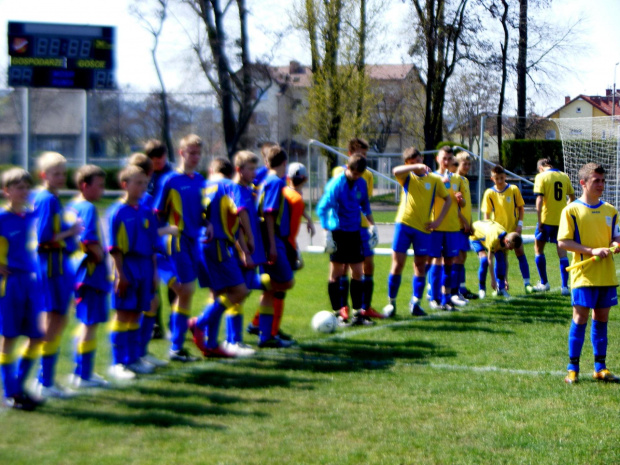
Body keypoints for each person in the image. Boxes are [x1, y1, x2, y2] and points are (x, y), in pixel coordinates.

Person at [558, 162, 620, 384]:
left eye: (603, 181)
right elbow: (563, 241)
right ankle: (572, 368)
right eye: (597, 181)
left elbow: (617, 237)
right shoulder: (571, 210)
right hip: (584, 275)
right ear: (583, 183)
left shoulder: (611, 211)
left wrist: (615, 244)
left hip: (606, 275)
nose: (601, 185)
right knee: (580, 317)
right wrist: (591, 250)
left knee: (601, 319)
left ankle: (600, 368)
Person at [189, 158, 252, 357]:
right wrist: (250, 239)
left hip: (199, 244)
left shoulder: (202, 186)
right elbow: (240, 211)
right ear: (231, 170)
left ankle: (211, 344)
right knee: (240, 291)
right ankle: (199, 323)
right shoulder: (229, 186)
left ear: (210, 170)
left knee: (217, 294)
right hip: (218, 244)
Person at [31, 151, 81, 399]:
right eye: (56, 173)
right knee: (53, 322)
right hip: (50, 268)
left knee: (57, 320)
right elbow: (43, 240)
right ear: (44, 175)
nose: (61, 177)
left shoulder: (51, 197)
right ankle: (44, 380)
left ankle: (44, 379)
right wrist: (71, 231)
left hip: (57, 266)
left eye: (63, 172)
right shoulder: (46, 199)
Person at [154, 134, 207, 362]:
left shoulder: (200, 180)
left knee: (185, 293)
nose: (195, 157)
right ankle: (176, 347)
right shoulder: (169, 180)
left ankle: (177, 345)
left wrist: (210, 223)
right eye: (191, 153)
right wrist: (163, 234)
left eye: (198, 153)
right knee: (186, 292)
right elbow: (156, 217)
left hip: (194, 242)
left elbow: (204, 212)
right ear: (181, 153)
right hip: (176, 243)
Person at [382, 147, 451, 317]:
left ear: (422, 158)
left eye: (418, 161)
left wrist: (438, 220)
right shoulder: (407, 176)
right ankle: (391, 303)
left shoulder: (435, 180)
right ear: (408, 164)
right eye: (412, 163)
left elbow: (448, 199)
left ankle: (416, 303)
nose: (417, 165)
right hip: (404, 225)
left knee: (420, 266)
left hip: (423, 229)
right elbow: (395, 170)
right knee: (397, 264)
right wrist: (414, 168)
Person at [107, 166, 159, 380]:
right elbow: (114, 248)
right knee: (123, 313)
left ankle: (133, 358)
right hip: (126, 265)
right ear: (125, 185)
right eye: (138, 183)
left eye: (145, 184)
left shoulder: (146, 210)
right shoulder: (117, 211)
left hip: (145, 266)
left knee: (137, 312)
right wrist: (120, 274)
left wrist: (154, 273)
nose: (142, 188)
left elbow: (153, 243)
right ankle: (118, 362)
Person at [0, 168, 46, 410]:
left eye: (27, 187)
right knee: (8, 338)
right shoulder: (1, 218)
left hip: (32, 283)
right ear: (6, 191)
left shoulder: (32, 216)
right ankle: (11, 390)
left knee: (37, 336)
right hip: (10, 286)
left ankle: (18, 385)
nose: (25, 191)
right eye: (19, 187)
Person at [127, 153, 175, 368]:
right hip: (138, 261)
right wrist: (169, 230)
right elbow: (149, 231)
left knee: (150, 304)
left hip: (145, 259)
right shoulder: (140, 200)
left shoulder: (142, 199)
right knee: (138, 308)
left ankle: (140, 352)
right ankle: (132, 356)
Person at [317, 153, 376, 326]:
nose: (357, 177)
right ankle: (338, 314)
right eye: (354, 173)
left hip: (354, 231)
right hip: (338, 232)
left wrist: (372, 225)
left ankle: (358, 314)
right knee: (336, 273)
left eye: (360, 174)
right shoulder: (336, 184)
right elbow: (322, 208)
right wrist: (326, 231)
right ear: (348, 168)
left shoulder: (361, 183)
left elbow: (364, 205)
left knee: (358, 271)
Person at [66, 165, 111, 388]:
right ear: (85, 186)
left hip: (76, 273)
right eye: (99, 186)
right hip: (90, 275)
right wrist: (100, 257)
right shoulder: (88, 208)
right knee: (89, 325)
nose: (102, 190)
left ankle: (80, 371)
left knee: (84, 323)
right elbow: (89, 241)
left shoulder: (71, 206)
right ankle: (84, 374)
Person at [331, 138, 382, 320]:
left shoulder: (366, 175)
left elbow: (364, 202)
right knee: (343, 267)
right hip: (345, 228)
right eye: (361, 154)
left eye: (366, 155)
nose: (364, 158)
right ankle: (343, 307)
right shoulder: (339, 173)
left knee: (367, 266)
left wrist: (372, 225)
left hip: (361, 227)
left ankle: (364, 307)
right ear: (350, 153)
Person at [255, 145, 296, 347]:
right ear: (284, 163)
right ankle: (250, 283)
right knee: (287, 282)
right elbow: (269, 214)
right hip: (273, 240)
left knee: (269, 292)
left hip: (271, 239)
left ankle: (265, 336)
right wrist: (272, 244)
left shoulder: (266, 180)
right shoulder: (275, 182)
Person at [481, 165, 533, 295]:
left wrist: (519, 224)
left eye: (502, 178)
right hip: (499, 233)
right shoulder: (489, 193)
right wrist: (488, 229)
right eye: (497, 178)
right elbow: (486, 214)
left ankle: (527, 283)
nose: (500, 181)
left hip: (513, 229)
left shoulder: (513, 189)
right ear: (492, 179)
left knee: (520, 252)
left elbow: (521, 208)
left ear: (505, 177)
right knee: (501, 258)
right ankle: (502, 284)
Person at [427, 146, 467, 311]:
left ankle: (447, 298)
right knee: (435, 260)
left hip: (452, 226)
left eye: (449, 159)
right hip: (435, 227)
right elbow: (425, 198)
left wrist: (460, 200)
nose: (446, 161)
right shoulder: (430, 177)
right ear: (437, 159)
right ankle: (434, 297)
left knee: (450, 262)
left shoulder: (457, 179)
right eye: (443, 158)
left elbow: (462, 205)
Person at [532, 158, 575, 295]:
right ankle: (565, 287)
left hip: (546, 220)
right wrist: (564, 210)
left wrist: (539, 221)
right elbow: (572, 198)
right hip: (561, 221)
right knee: (562, 252)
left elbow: (539, 200)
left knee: (538, 249)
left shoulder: (541, 177)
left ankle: (544, 283)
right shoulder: (564, 176)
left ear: (541, 167)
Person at [144, 139, 174, 339]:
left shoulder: (171, 175)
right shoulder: (144, 173)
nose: (158, 162)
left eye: (160, 158)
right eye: (154, 159)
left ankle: (175, 322)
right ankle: (155, 324)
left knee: (173, 280)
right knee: (152, 281)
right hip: (150, 232)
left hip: (169, 232)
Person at [469, 220, 522, 298]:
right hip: (476, 236)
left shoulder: (506, 239)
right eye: (511, 247)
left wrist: (505, 280)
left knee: (500, 257)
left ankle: (501, 288)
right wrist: (493, 280)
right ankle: (482, 289)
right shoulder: (494, 238)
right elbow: (490, 260)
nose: (511, 250)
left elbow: (505, 261)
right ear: (506, 241)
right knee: (484, 261)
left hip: (487, 234)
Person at [451, 153, 478, 300]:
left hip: (465, 226)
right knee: (457, 258)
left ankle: (461, 288)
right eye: (464, 164)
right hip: (457, 226)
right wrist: (464, 221)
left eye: (469, 164)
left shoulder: (465, 180)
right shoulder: (454, 180)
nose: (467, 167)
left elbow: (467, 206)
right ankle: (454, 291)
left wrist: (471, 222)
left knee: (462, 257)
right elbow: (453, 206)